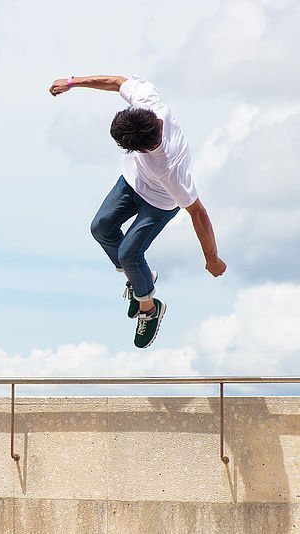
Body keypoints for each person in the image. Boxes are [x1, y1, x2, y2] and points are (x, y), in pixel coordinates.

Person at [48, 75, 226, 348]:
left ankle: (150, 309)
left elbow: (198, 213)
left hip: (159, 202)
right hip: (131, 182)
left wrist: (212, 259)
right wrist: (72, 83)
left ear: (142, 149)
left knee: (129, 254)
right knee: (100, 228)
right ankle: (138, 278)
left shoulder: (170, 170)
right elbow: (117, 82)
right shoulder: (148, 104)